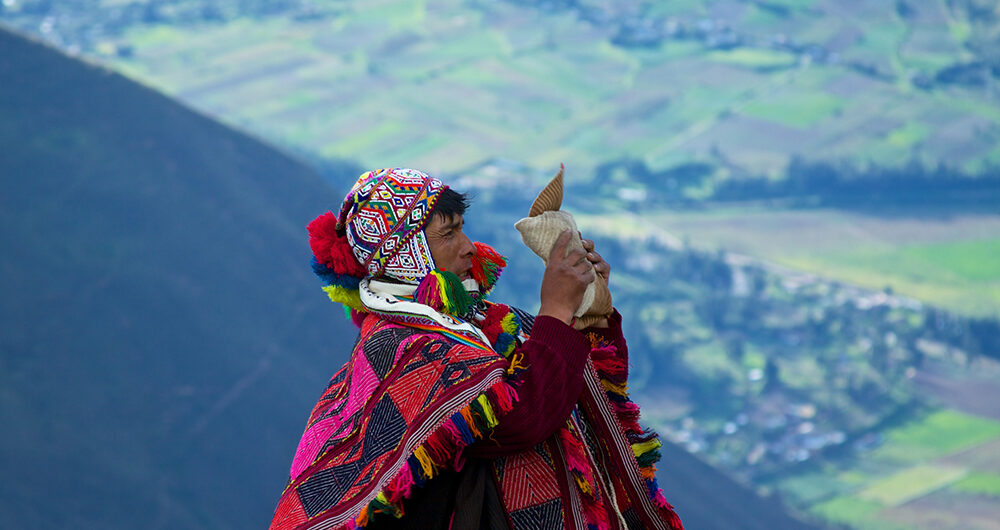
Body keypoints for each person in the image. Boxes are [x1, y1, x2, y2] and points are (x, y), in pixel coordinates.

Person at [270, 168, 683, 530]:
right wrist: (556, 308)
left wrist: (588, 309)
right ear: (404, 256)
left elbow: (578, 378)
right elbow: (520, 420)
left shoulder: (483, 323)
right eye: (449, 234)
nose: (469, 246)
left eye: (462, 228)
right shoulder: (399, 346)